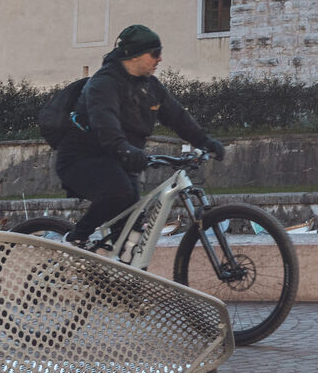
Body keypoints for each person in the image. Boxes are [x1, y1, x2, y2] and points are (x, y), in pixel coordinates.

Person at [55, 24, 224, 248]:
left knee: (130, 233)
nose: (160, 58)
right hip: (82, 160)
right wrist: (124, 149)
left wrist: (204, 141)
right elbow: (105, 123)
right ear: (134, 55)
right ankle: (76, 237)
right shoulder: (103, 84)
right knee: (119, 192)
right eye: (155, 53)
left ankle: (121, 267)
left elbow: (177, 117)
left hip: (121, 163)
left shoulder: (151, 87)